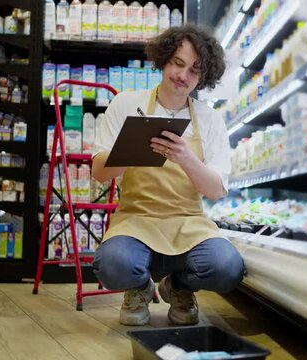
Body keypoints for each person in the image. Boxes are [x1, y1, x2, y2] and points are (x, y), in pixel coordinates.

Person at [91, 24, 244, 326]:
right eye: (177, 63)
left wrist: (187, 158)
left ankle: (179, 286)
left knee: (227, 267)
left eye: (194, 70)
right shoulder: (125, 103)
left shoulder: (208, 119)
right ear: (163, 60)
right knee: (113, 265)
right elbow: (98, 173)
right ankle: (138, 287)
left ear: (203, 77)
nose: (183, 76)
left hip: (189, 224)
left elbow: (215, 191)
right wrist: (134, 148)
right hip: (135, 221)